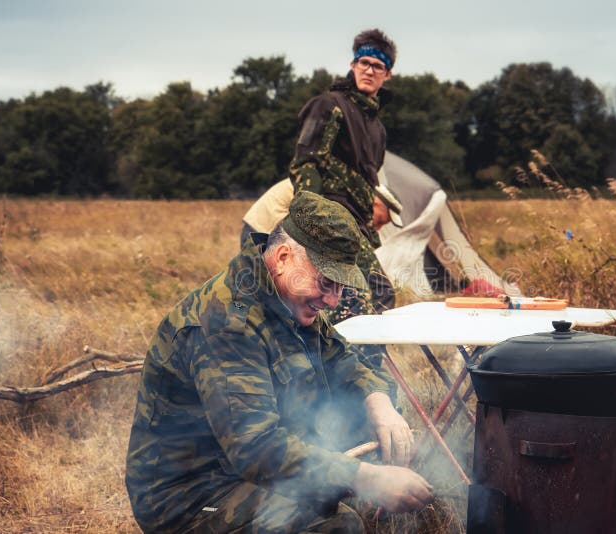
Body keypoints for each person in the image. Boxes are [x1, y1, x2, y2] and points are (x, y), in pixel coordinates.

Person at [126, 192, 433, 533]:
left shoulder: (288, 296)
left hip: (244, 470)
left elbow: (344, 359)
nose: (332, 300)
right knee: (337, 526)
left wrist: (378, 402)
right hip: (191, 495)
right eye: (326, 282)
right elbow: (257, 448)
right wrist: (365, 478)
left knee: (377, 429)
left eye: (340, 287)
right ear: (285, 256)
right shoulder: (229, 323)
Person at [289, 28, 396, 319]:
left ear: (387, 75)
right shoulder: (330, 105)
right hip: (329, 219)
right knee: (359, 298)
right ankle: (345, 362)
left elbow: (368, 182)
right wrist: (309, 221)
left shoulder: (378, 129)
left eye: (378, 66)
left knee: (379, 294)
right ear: (353, 65)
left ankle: (361, 363)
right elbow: (305, 163)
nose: (369, 70)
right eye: (364, 63)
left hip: (356, 226)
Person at [239, 178, 403, 248]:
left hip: (274, 231)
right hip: (262, 228)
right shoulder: (346, 195)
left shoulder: (353, 194)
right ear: (375, 203)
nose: (378, 228)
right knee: (260, 292)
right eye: (380, 220)